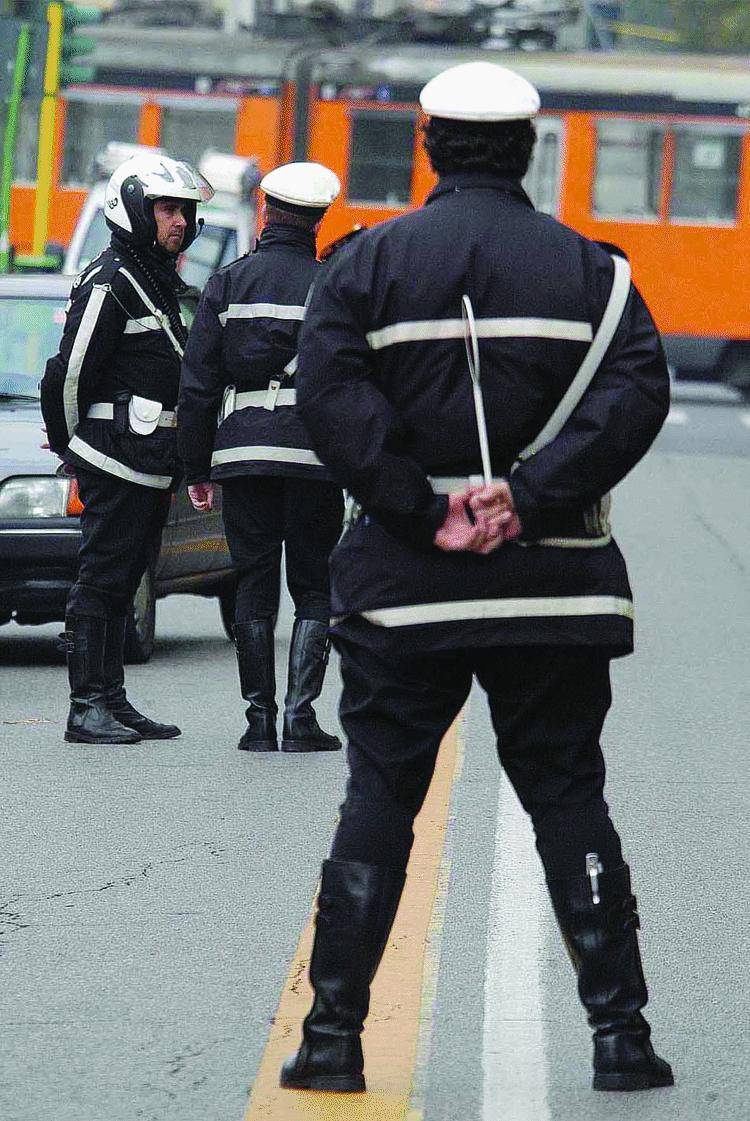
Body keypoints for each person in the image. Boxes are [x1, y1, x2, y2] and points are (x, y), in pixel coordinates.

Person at [280, 61, 675, 1094]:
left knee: (380, 798)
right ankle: (621, 1035)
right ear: (529, 148)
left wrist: (419, 504)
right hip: (557, 587)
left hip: (406, 587)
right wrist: (530, 496)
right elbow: (636, 393)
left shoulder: (365, 266)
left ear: (426, 141)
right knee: (567, 794)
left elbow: (326, 393)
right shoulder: (598, 273)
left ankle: (331, 1039)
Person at [41, 152, 214, 744]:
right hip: (115, 458)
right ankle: (86, 705)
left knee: (127, 578)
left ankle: (112, 699)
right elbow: (68, 374)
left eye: (185, 213)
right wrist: (74, 449)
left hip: (149, 462)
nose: (180, 223)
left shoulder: (154, 279)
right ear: (134, 210)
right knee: (101, 578)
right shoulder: (111, 280)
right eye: (168, 210)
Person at [177, 161, 344, 754]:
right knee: (313, 584)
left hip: (243, 454)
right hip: (314, 457)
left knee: (253, 579)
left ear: (267, 212)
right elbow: (354, 380)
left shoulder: (228, 282)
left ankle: (259, 721)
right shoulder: (333, 287)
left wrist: (196, 468)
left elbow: (197, 385)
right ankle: (301, 719)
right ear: (320, 220)